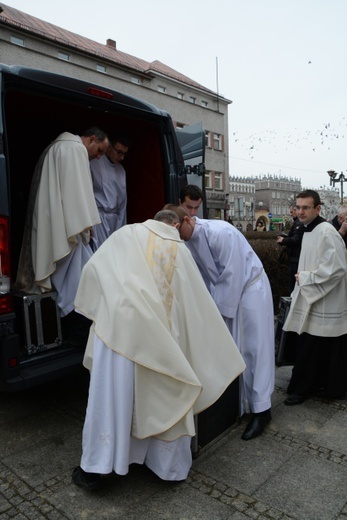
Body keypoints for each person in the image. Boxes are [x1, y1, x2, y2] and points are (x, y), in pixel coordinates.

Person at [71, 210, 245, 491]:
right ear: (175, 225)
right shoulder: (179, 248)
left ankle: (96, 468)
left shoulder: (126, 233)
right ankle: (166, 469)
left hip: (117, 328)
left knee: (113, 396)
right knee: (164, 391)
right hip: (160, 337)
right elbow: (195, 303)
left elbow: (92, 270)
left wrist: (105, 304)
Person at [165, 204, 275, 441]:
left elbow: (232, 274)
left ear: (187, 220)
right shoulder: (186, 242)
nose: (175, 237)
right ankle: (244, 403)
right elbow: (202, 277)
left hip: (250, 287)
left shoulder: (220, 232)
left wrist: (214, 313)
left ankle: (262, 410)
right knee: (236, 349)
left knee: (256, 348)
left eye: (175, 230)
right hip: (229, 294)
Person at [15, 127, 109, 345]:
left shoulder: (56, 147)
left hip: (56, 222)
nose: (98, 157)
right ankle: (75, 330)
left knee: (76, 275)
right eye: (100, 151)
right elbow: (75, 195)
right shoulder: (74, 150)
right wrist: (85, 225)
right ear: (92, 139)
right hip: (68, 228)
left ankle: (72, 325)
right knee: (79, 280)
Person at [283, 190, 347, 406]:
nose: (300, 212)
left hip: (324, 299)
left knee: (313, 346)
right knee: (311, 345)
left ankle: (304, 389)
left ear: (318, 209)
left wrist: (306, 277)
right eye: (298, 207)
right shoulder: (308, 229)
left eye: (306, 207)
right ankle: (311, 385)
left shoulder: (327, 232)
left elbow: (337, 268)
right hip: (312, 292)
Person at [90, 133, 130, 250]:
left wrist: (121, 229)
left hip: (114, 220)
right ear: (110, 147)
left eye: (124, 154)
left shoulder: (121, 171)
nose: (122, 157)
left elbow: (123, 203)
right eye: (119, 152)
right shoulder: (94, 162)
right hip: (97, 219)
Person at [277, 204, 305, 293]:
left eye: (292, 212)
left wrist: (283, 240)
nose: (291, 214)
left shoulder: (299, 223)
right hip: (295, 257)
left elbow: (296, 240)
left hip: (295, 258)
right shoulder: (297, 222)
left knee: (293, 287)